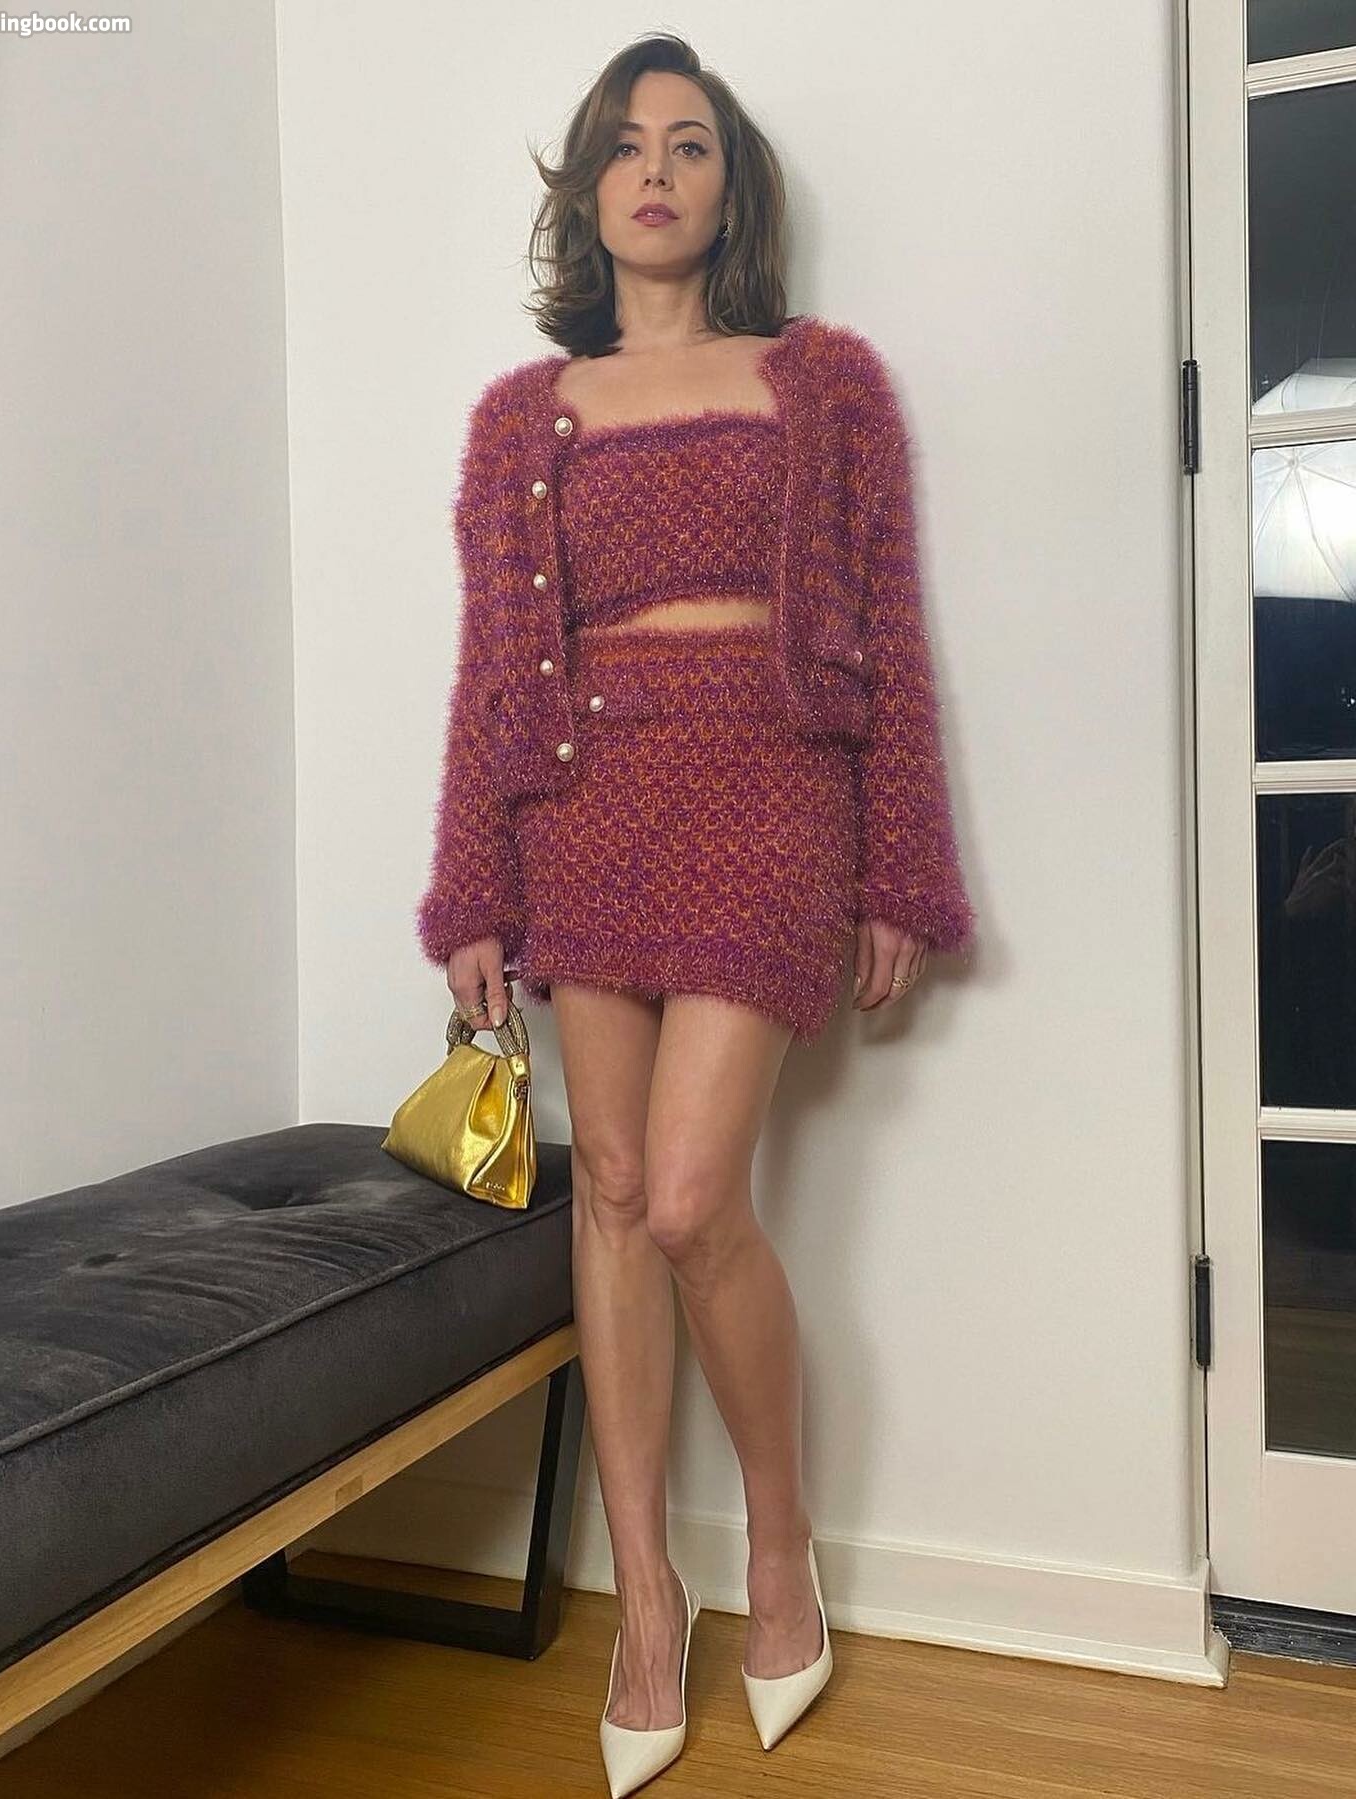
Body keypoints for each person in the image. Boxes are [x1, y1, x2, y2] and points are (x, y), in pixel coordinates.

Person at [415, 31, 976, 1797]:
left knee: (688, 1196)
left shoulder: (825, 383)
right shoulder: (521, 419)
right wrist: (472, 885)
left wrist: (901, 865)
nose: (655, 173)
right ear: (586, 193)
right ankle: (648, 1597)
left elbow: (887, 635)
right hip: (583, 801)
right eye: (624, 147)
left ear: (732, 192)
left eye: (690, 146)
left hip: (764, 791)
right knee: (610, 1191)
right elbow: (493, 670)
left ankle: (783, 1548)